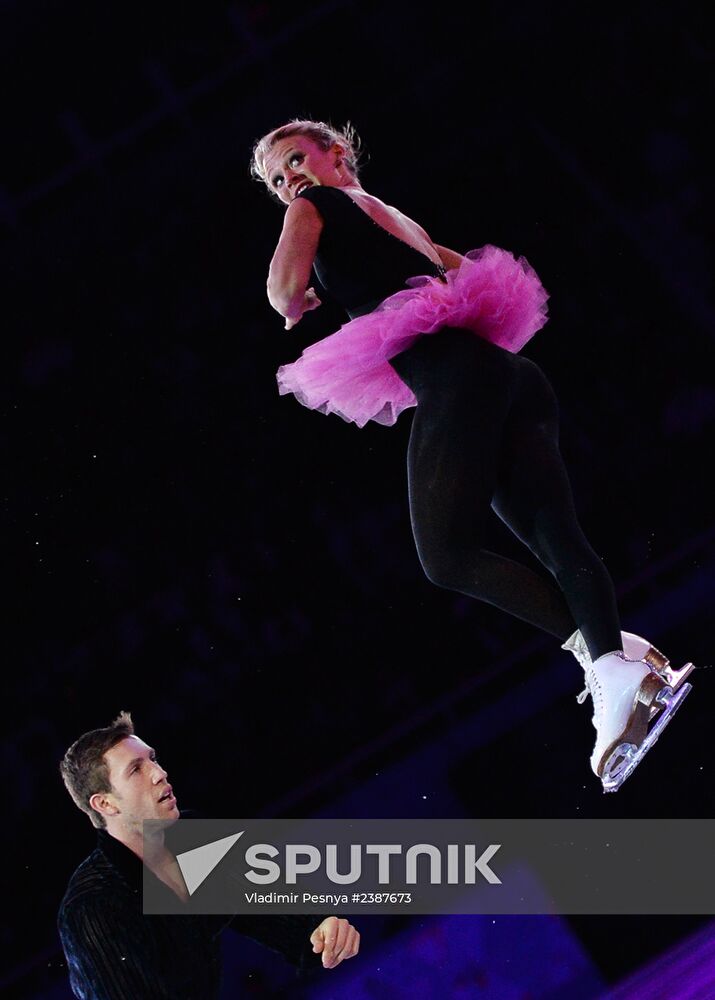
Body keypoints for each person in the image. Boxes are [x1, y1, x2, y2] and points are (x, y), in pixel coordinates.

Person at [250, 119, 695, 793]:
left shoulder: (316, 206)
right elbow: (461, 272)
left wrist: (300, 297)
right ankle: (617, 653)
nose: (289, 182)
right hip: (509, 378)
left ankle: (607, 661)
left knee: (446, 557)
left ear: (335, 153)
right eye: (277, 181)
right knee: (556, 536)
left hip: (458, 382)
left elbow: (280, 292)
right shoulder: (392, 218)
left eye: (294, 161)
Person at [58, 712, 360, 999]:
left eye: (153, 759)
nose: (160, 773)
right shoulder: (92, 907)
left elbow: (274, 909)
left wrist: (322, 930)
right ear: (106, 804)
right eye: (136, 770)